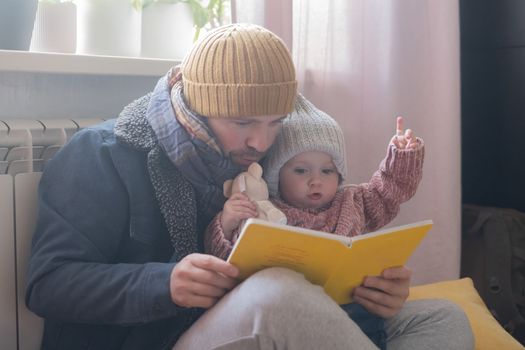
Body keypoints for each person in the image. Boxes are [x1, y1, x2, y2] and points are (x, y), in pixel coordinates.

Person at [25, 23, 474, 350]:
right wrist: (164, 283)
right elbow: (48, 284)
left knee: (440, 316)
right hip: (156, 337)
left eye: (275, 123)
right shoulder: (102, 152)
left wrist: (368, 288)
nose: (260, 142)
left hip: (254, 321)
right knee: (278, 294)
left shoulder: (268, 163)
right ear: (198, 109)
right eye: (242, 122)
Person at [204, 95, 423, 349]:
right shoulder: (265, 211)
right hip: (297, 322)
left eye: (327, 171)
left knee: (447, 316)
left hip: (358, 313)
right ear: (276, 175)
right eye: (301, 171)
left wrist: (403, 155)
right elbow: (227, 259)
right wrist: (228, 221)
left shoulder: (352, 200)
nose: (315, 181)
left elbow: (388, 191)